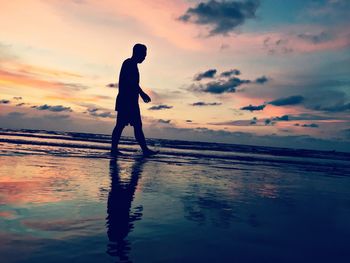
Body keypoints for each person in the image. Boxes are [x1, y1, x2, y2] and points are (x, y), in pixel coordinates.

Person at [111, 43, 157, 157]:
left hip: (129, 100)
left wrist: (140, 94)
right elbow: (131, 82)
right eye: (144, 55)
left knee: (134, 126)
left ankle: (143, 150)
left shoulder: (132, 64)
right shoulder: (129, 64)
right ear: (137, 53)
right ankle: (115, 150)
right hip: (127, 101)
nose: (144, 58)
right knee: (123, 125)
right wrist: (142, 94)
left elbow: (134, 83)